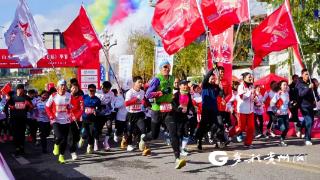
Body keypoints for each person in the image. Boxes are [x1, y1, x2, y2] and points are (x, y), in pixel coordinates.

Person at [145, 60, 186, 169]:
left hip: (168, 109)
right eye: (164, 67)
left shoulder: (172, 78)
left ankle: (177, 158)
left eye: (168, 67)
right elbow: (148, 94)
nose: (167, 69)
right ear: (160, 68)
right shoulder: (157, 79)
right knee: (154, 135)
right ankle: (144, 138)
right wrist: (161, 92)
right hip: (157, 109)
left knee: (174, 133)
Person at [196, 68, 226, 150]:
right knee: (204, 126)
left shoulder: (215, 86)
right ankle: (199, 140)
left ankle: (219, 140)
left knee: (220, 124)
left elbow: (221, 94)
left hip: (215, 110)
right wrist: (214, 68)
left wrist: (221, 88)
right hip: (206, 110)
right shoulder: (205, 85)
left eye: (214, 79)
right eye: (212, 78)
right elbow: (206, 77)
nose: (213, 80)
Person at [46, 80, 72, 164]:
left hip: (66, 120)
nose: (63, 87)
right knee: (59, 136)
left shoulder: (69, 95)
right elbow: (47, 107)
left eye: (64, 85)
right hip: (55, 120)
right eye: (61, 85)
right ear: (58, 87)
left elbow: (71, 106)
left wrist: (70, 107)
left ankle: (61, 156)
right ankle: (56, 144)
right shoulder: (53, 96)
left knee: (64, 140)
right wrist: (51, 116)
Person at [295, 69, 319, 145]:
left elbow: (316, 95)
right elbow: (301, 94)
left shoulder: (311, 83)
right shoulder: (299, 84)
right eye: (306, 74)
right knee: (309, 121)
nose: (307, 76)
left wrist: (316, 99)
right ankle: (307, 139)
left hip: (311, 105)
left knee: (309, 122)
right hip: (303, 105)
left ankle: (299, 126)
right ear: (302, 75)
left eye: (308, 74)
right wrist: (308, 88)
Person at [8, 84, 33, 156]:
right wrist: (13, 107)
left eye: (22, 89)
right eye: (20, 89)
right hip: (14, 118)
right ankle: (17, 148)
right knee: (16, 134)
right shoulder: (13, 98)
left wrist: (28, 104)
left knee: (22, 134)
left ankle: (22, 148)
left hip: (23, 118)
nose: (21, 91)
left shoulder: (26, 97)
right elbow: (8, 106)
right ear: (17, 90)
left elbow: (32, 107)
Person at [172, 79, 195, 156]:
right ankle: (178, 148)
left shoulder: (188, 94)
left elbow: (190, 105)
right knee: (178, 133)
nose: (185, 86)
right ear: (179, 86)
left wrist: (192, 111)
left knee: (186, 132)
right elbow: (172, 105)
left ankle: (183, 148)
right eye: (183, 84)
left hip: (185, 116)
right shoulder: (176, 95)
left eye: (186, 84)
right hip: (177, 116)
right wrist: (178, 109)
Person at [124, 76, 147, 152]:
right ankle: (129, 145)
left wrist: (145, 104)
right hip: (131, 114)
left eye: (141, 82)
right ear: (134, 83)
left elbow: (143, 101)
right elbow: (126, 103)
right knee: (129, 131)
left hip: (139, 113)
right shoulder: (129, 92)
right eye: (139, 82)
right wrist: (135, 100)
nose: (141, 84)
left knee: (143, 129)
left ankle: (141, 143)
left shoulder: (142, 92)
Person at [235, 72, 255, 148]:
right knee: (241, 128)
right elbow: (242, 97)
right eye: (249, 77)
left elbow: (252, 97)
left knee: (251, 127)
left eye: (251, 77)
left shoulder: (252, 86)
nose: (250, 78)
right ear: (244, 78)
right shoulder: (241, 86)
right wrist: (250, 92)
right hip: (242, 110)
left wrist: (255, 99)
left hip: (250, 110)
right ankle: (229, 134)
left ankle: (248, 143)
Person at [96, 81, 115, 151]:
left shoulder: (111, 93)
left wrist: (112, 107)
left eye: (108, 89)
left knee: (109, 126)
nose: (107, 90)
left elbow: (112, 102)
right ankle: (96, 142)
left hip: (108, 113)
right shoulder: (97, 93)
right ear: (102, 87)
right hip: (99, 113)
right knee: (98, 129)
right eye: (105, 89)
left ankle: (106, 142)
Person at [270, 80, 290, 146]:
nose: (285, 86)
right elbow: (271, 103)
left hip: (286, 113)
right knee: (283, 128)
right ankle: (274, 126)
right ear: (280, 86)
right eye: (284, 85)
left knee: (287, 128)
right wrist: (276, 110)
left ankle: (282, 140)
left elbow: (287, 104)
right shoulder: (278, 94)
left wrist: (291, 107)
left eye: (286, 85)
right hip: (279, 114)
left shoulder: (287, 93)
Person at [82, 84, 101, 153]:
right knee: (85, 133)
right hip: (84, 118)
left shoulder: (97, 100)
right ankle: (82, 138)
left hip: (93, 119)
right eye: (91, 90)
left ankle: (90, 146)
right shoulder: (83, 97)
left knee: (92, 133)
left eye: (94, 91)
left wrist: (96, 111)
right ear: (88, 90)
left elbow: (99, 109)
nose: (92, 92)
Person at [69, 83, 84, 160]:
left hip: (77, 119)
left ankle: (75, 144)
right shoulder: (67, 97)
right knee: (71, 136)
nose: (75, 89)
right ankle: (73, 152)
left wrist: (77, 116)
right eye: (73, 88)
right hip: (68, 119)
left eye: (76, 88)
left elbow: (82, 109)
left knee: (77, 136)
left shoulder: (80, 98)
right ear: (71, 88)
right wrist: (70, 116)